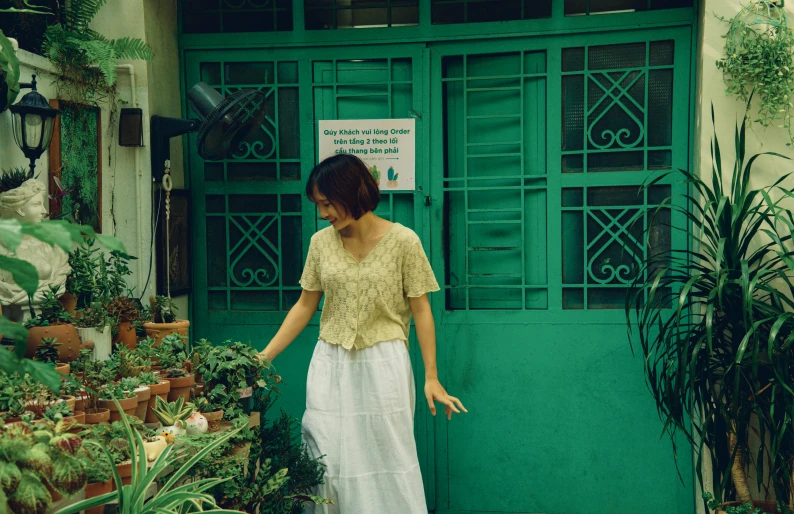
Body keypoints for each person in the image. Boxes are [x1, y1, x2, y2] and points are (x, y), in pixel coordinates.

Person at [257, 153, 467, 513]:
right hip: (330, 362)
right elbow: (305, 306)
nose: (323, 213)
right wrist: (263, 356)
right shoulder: (321, 244)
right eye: (318, 205)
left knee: (387, 453)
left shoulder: (404, 241)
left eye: (327, 203)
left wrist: (431, 376)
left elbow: (422, 310)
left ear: (351, 192)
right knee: (326, 451)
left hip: (384, 362)